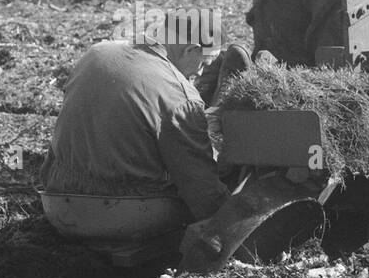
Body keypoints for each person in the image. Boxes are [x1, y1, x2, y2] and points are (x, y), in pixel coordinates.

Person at [39, 39, 252, 248]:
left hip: (57, 206)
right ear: (190, 49)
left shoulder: (96, 52)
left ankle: (210, 114)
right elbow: (201, 190)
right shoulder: (179, 94)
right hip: (123, 215)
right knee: (215, 165)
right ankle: (217, 112)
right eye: (204, 63)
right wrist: (234, 221)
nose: (199, 73)